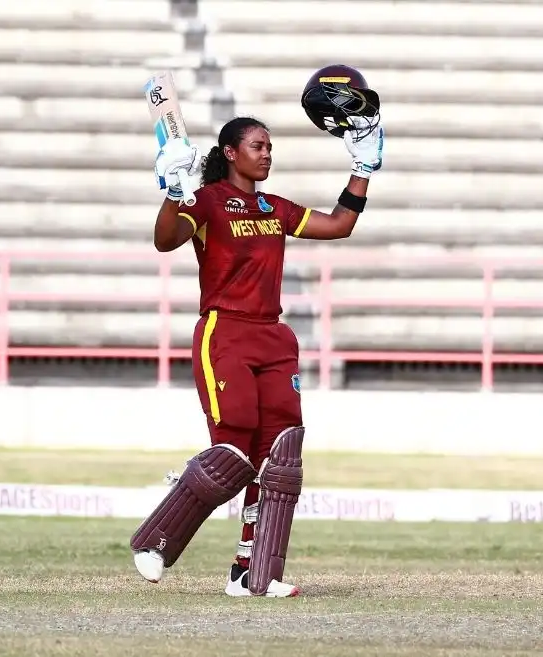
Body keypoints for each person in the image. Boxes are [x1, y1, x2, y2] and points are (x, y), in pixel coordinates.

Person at [128, 69, 385, 598]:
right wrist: (172, 191)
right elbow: (164, 240)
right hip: (225, 332)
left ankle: (252, 573)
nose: (267, 155)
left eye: (269, 147)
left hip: (273, 337)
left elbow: (339, 225)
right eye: (257, 146)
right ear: (230, 153)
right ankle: (154, 541)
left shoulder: (274, 207)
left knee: (279, 458)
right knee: (233, 450)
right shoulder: (206, 200)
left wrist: (361, 169)